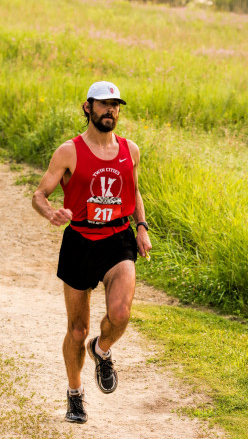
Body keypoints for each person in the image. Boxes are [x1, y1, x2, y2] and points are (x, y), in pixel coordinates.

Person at [32, 81, 152, 424]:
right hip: (80, 242)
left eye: (116, 105)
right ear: (88, 107)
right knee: (77, 330)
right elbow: (39, 194)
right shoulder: (68, 151)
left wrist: (141, 227)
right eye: (104, 104)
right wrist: (50, 212)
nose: (110, 110)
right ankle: (75, 394)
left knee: (121, 313)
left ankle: (101, 350)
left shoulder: (131, 149)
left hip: (118, 238)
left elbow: (135, 190)